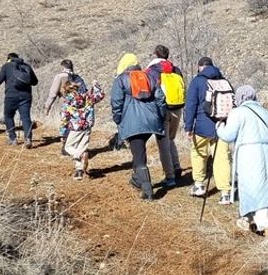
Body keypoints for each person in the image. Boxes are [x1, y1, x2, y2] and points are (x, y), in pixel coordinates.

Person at [217, 85, 268, 236]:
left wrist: (219, 127)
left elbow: (228, 135)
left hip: (249, 153)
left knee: (255, 188)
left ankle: (267, 229)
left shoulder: (237, 112)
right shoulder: (266, 113)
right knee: (264, 186)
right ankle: (245, 219)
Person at [110, 52, 167, 200]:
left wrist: (118, 120)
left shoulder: (120, 80)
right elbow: (161, 98)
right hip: (152, 120)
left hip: (132, 122)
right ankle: (136, 179)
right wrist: (160, 117)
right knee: (138, 151)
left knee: (139, 155)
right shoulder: (149, 77)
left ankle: (148, 190)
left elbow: (116, 103)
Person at [183, 56, 233, 204]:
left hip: (202, 127)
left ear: (200, 67)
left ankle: (199, 185)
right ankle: (225, 193)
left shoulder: (197, 81)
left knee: (198, 154)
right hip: (222, 126)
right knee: (222, 158)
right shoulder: (224, 81)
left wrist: (188, 127)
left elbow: (191, 105)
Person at [145, 45, 185, 188]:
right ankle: (176, 166)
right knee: (171, 139)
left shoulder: (151, 71)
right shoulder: (176, 69)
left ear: (155, 55)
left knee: (163, 144)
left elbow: (149, 91)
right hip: (178, 108)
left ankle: (170, 177)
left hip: (162, 110)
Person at [57, 64, 105, 180]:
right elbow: (99, 96)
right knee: (81, 147)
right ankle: (79, 171)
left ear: (65, 90)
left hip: (75, 128)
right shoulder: (86, 97)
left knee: (69, 147)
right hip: (87, 126)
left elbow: (64, 118)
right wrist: (96, 86)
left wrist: (62, 132)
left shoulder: (67, 102)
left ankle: (80, 155)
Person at [0, 52, 39, 148]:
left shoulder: (7, 66)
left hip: (11, 96)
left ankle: (13, 139)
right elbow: (35, 82)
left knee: (8, 116)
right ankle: (28, 139)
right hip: (26, 96)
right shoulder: (26, 66)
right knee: (26, 117)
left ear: (8, 59)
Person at [44, 59, 76, 124]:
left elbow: (53, 94)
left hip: (65, 103)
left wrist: (47, 106)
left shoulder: (59, 77)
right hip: (77, 103)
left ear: (62, 67)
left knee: (65, 124)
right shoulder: (76, 76)